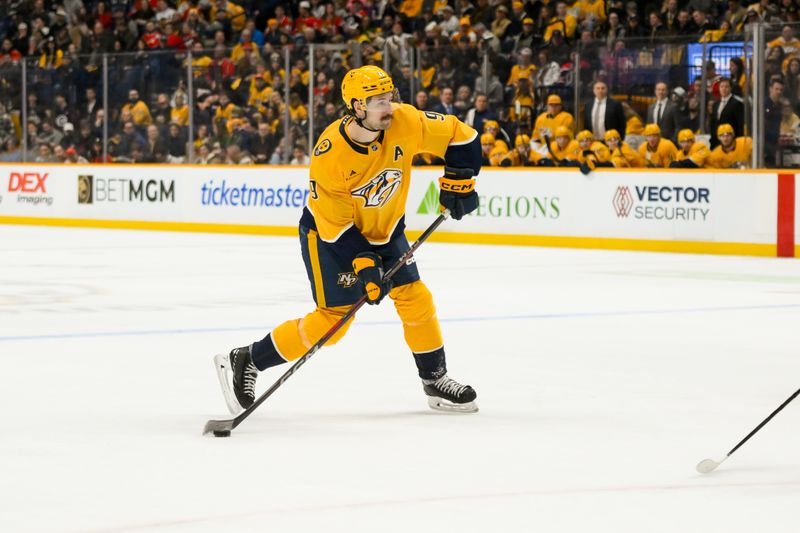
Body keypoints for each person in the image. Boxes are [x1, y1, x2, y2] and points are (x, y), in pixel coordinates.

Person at [214, 66, 481, 414]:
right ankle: (248, 359)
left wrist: (459, 182)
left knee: (416, 298)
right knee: (333, 322)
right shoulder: (330, 155)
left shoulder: (406, 121)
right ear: (357, 107)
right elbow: (336, 228)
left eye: (390, 97)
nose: (390, 106)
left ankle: (434, 380)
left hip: (386, 231)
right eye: (378, 101)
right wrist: (366, 267)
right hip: (330, 237)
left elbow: (463, 137)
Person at [708, 78, 744, 148]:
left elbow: (740, 125)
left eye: (726, 86)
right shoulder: (716, 104)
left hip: (731, 142)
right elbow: (713, 124)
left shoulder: (737, 104)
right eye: (721, 86)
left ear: (730, 88)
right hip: (717, 143)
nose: (724, 89)